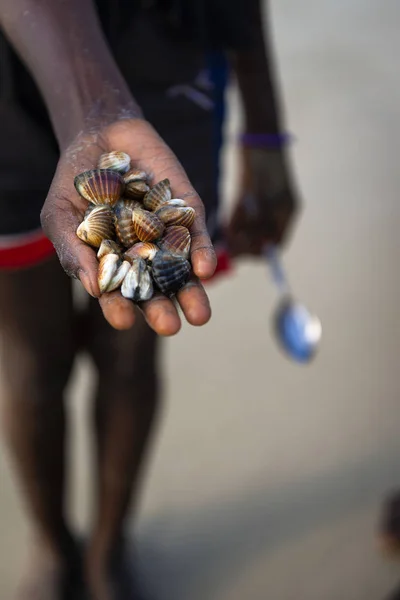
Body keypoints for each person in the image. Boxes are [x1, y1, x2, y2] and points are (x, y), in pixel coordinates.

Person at [0, 0, 299, 598]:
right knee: (31, 362)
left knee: (134, 352)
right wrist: (95, 107)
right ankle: (54, 545)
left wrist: (264, 126)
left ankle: (109, 551)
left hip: (173, 39)